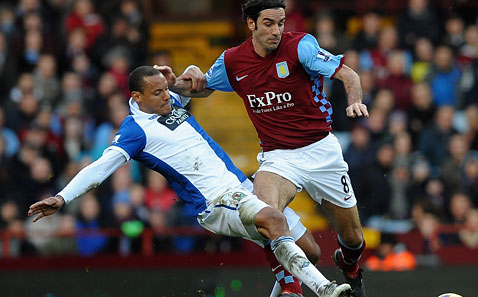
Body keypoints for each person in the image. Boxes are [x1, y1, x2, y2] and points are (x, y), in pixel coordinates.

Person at [27, 66, 352, 297]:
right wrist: (63, 197)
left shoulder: (171, 103)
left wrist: (180, 76)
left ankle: (290, 291)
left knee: (308, 251)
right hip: (214, 201)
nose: (167, 97)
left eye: (166, 91)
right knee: (273, 219)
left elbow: (193, 84)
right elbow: (99, 168)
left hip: (240, 186)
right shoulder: (134, 131)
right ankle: (323, 289)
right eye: (157, 93)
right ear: (137, 97)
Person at [169, 1, 369, 296]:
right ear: (250, 24)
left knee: (352, 238)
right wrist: (173, 83)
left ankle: (349, 265)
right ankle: (292, 288)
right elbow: (201, 88)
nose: (277, 31)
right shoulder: (233, 61)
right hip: (278, 157)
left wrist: (355, 101)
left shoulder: (301, 46)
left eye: (281, 23)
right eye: (268, 24)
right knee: (265, 214)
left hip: (322, 150)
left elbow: (349, 75)